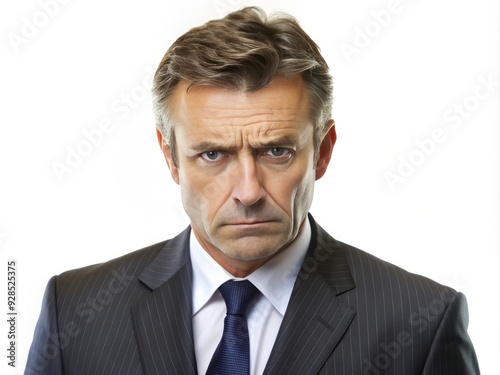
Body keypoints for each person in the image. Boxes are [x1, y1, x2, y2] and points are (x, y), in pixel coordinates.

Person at [25, 6, 480, 375]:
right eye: (213, 155)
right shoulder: (76, 312)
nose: (247, 192)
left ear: (322, 152)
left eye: (276, 151)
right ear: (169, 157)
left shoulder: (421, 323)